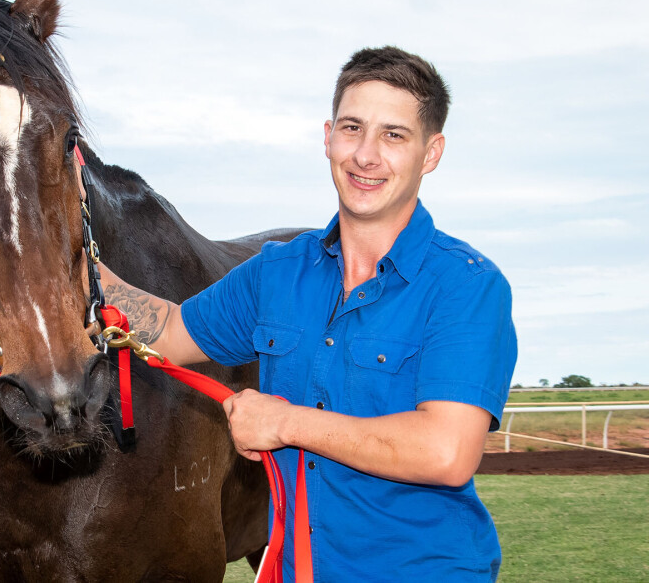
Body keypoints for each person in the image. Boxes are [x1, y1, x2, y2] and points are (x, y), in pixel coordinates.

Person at [99, 46, 517, 581]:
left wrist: (284, 423)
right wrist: (75, 263)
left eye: (393, 135)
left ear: (431, 152)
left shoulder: (467, 285)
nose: (365, 155)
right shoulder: (277, 272)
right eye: (352, 128)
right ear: (328, 136)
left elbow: (446, 452)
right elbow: (170, 331)